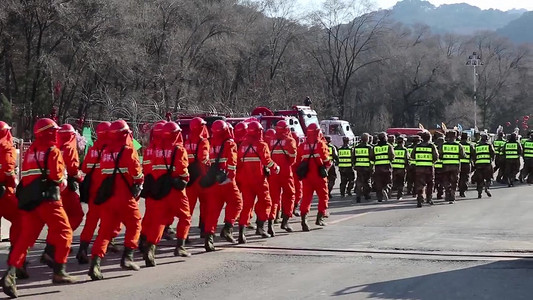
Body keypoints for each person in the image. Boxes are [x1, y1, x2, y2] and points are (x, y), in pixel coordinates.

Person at [2, 118, 76, 299]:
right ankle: (59, 270)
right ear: (50, 132)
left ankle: (10, 274)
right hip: (48, 200)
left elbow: (25, 176)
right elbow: (57, 178)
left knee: (25, 238)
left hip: (30, 201)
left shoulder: (30, 152)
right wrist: (64, 182)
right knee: (65, 232)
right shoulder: (53, 150)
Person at [88, 120, 144, 280]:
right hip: (125, 197)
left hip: (107, 198)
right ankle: (128, 257)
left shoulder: (105, 152)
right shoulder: (127, 150)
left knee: (105, 232)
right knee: (135, 224)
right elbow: (136, 173)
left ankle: (95, 264)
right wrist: (139, 180)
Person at [142, 122, 191, 267]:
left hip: (159, 188)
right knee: (185, 217)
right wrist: (185, 177)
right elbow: (182, 170)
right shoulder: (179, 149)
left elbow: (149, 168)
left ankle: (150, 248)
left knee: (159, 220)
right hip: (175, 190)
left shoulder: (156, 149)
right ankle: (180, 246)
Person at [77, 122, 121, 264]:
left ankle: (83, 248)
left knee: (91, 221)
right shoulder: (113, 148)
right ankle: (106, 244)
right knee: (109, 220)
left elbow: (85, 168)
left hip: (94, 192)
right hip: (108, 191)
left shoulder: (93, 148)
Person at [41, 124, 85, 267]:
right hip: (66, 188)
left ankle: (53, 246)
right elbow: (72, 169)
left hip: (51, 188)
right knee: (76, 216)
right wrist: (80, 177)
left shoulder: (52, 146)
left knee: (58, 220)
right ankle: (56, 245)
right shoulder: (69, 148)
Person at [203, 120, 243, 251]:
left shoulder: (211, 142)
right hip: (226, 179)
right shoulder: (229, 143)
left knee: (213, 210)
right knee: (237, 203)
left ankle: (209, 238)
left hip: (214, 180)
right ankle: (228, 228)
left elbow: (206, 160)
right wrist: (231, 177)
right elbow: (232, 161)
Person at [237, 121, 279, 239]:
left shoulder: (243, 145)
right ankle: (260, 228)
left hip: (246, 181)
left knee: (247, 206)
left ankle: (241, 233)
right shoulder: (262, 145)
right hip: (259, 180)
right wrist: (275, 167)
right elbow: (267, 161)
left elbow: (239, 163)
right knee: (266, 203)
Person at [295, 123, 331, 230]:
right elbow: (326, 161)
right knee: (323, 197)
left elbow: (297, 161)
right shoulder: (320, 144)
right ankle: (319, 218)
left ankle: (304, 220)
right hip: (319, 176)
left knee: (306, 198)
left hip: (306, 177)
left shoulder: (302, 145)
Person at [0, 122, 24, 277]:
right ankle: (16, 257)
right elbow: (9, 169)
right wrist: (15, 181)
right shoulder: (6, 146)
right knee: (19, 219)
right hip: (4, 192)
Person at [267, 120, 297, 233]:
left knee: (274, 198)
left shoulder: (271, 141)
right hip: (286, 172)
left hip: (273, 172)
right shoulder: (290, 141)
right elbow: (293, 159)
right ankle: (285, 222)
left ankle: (270, 223)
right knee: (289, 195)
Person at [184, 117, 210, 239]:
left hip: (190, 178)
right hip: (201, 176)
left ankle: (185, 233)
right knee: (205, 205)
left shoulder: (187, 141)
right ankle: (204, 229)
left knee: (188, 207)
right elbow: (203, 157)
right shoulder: (203, 141)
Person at [411, 131, 438, 207]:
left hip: (419, 168)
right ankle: (429, 199)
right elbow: (436, 157)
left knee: (420, 183)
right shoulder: (431, 146)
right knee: (430, 183)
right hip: (429, 168)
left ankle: (420, 198)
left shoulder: (417, 146)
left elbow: (412, 156)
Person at [439, 130, 465, 204]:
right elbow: (462, 156)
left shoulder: (443, 145)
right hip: (455, 166)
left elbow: (440, 155)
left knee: (446, 180)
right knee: (454, 181)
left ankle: (447, 193)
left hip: (445, 166)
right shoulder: (458, 145)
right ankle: (452, 196)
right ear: (455, 136)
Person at [372, 132, 395, 202]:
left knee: (379, 183)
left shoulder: (375, 147)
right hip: (386, 167)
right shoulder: (389, 146)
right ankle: (386, 189)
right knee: (388, 181)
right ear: (385, 138)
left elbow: (371, 157)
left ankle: (379, 198)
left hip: (378, 167)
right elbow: (392, 156)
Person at [353, 133, 374, 203]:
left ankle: (358, 196)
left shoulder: (356, 147)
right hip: (367, 167)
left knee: (359, 181)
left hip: (359, 167)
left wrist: (354, 165)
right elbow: (372, 158)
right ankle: (366, 195)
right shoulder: (369, 147)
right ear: (367, 139)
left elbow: (353, 157)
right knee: (367, 181)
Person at [473, 134, 495, 198]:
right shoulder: (489, 145)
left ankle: (479, 192)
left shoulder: (476, 146)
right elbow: (493, 153)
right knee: (489, 178)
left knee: (480, 179)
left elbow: (474, 155)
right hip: (487, 164)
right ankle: (486, 188)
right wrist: (492, 160)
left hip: (479, 165)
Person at [392, 135, 409, 200]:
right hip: (401, 169)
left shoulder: (393, 148)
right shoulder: (404, 150)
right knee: (401, 183)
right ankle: (399, 195)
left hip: (393, 168)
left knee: (393, 181)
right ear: (403, 142)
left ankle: (389, 193)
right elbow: (406, 159)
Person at [458, 133, 475, 197]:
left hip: (458, 164)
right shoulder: (470, 145)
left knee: (459, 177)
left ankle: (459, 187)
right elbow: (474, 154)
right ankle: (462, 190)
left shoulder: (458, 145)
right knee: (465, 177)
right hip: (466, 164)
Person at [433, 134, 444, 200]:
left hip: (436, 167)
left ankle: (435, 190)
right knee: (442, 182)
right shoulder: (445, 149)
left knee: (436, 181)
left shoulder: (435, 148)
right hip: (443, 167)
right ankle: (440, 193)